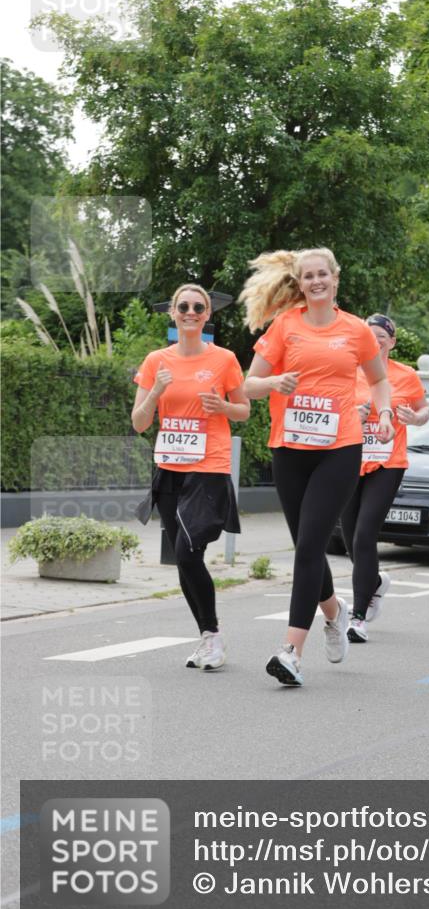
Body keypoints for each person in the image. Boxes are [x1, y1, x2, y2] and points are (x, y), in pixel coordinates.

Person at [240, 248, 394, 687]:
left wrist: (384, 413)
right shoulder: (285, 326)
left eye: (322, 274)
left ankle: (291, 652)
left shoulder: (356, 330)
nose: (316, 281)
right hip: (290, 449)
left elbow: (379, 379)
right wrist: (274, 381)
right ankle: (334, 612)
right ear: (300, 283)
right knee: (305, 545)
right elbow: (249, 385)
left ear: (335, 278)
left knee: (309, 547)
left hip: (339, 448)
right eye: (308, 276)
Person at [133, 284, 250, 671]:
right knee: (184, 559)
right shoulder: (156, 361)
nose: (190, 312)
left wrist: (223, 406)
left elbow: (244, 410)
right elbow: (139, 422)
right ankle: (208, 637)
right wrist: (156, 392)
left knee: (187, 551)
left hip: (208, 466)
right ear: (173, 312)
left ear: (207, 315)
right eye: (183, 306)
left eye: (198, 307)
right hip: (170, 467)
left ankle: (212, 635)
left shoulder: (224, 359)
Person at [341, 314, 429, 642]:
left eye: (381, 335)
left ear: (391, 342)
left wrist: (415, 418)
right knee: (350, 538)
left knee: (365, 535)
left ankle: (358, 617)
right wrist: (352, 415)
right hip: (349, 460)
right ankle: (375, 582)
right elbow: (332, 412)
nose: (374, 339)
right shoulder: (347, 371)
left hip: (388, 462)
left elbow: (424, 410)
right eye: (368, 334)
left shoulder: (405, 375)